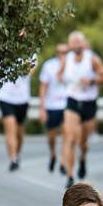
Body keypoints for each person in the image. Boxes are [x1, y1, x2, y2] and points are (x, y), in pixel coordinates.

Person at [59, 31, 103, 188]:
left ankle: (82, 160)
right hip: (72, 101)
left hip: (89, 103)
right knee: (71, 138)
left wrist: (92, 80)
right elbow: (59, 76)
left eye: (78, 42)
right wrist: (64, 80)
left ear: (83, 43)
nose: (75, 45)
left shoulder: (92, 59)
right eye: (72, 43)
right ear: (69, 45)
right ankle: (69, 175)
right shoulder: (66, 59)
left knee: (83, 142)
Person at [0, 63, 34, 172]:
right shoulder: (2, 51)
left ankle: (17, 154)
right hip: (5, 97)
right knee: (10, 129)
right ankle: (13, 159)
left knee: (19, 133)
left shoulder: (30, 53)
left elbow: (30, 72)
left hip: (22, 99)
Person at [39, 44, 70, 174]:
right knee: (52, 136)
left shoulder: (73, 66)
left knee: (67, 134)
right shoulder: (49, 65)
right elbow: (43, 86)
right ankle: (53, 154)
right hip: (52, 105)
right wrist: (42, 107)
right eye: (60, 52)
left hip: (67, 105)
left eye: (65, 52)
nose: (62, 54)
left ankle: (63, 162)